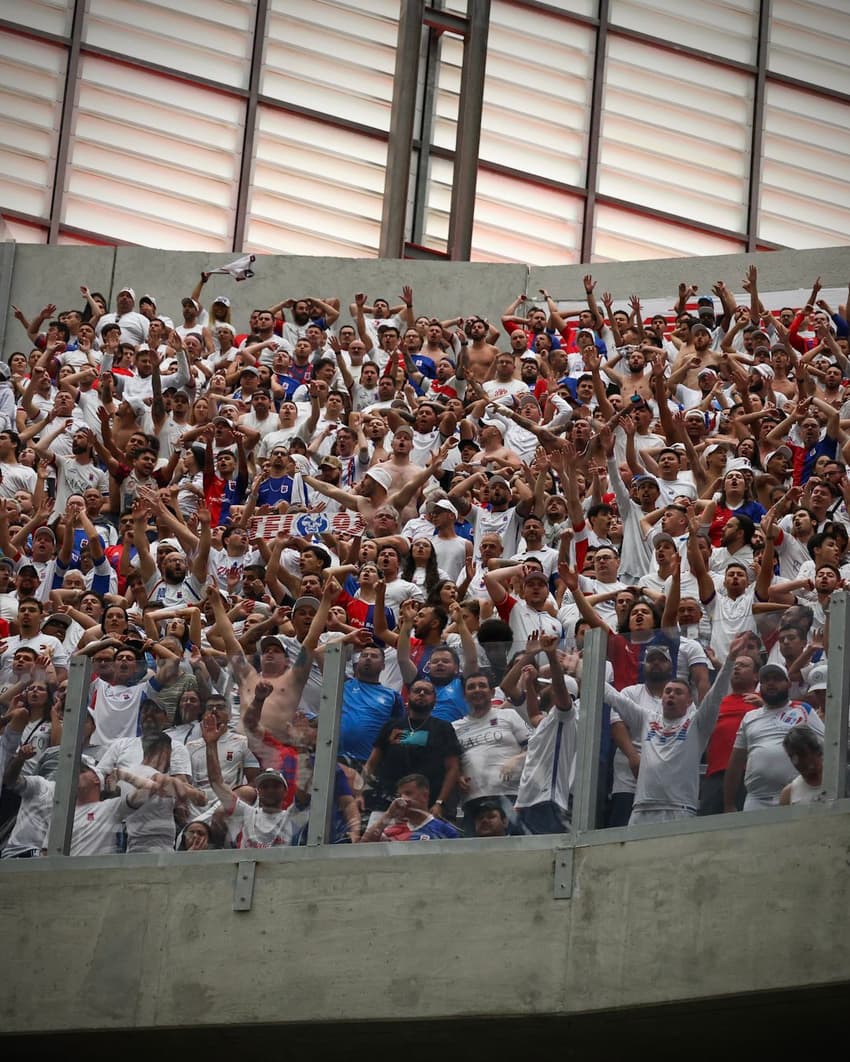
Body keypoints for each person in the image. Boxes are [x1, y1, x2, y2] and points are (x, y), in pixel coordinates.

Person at [601, 636, 749, 825]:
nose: (671, 695)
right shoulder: (646, 718)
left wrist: (730, 661)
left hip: (680, 809)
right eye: (668, 691)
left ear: (689, 701)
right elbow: (613, 697)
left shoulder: (697, 724)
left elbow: (716, 695)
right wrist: (585, 665)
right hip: (641, 809)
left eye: (678, 692)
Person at [723, 663, 825, 812]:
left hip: (795, 794)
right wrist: (729, 803)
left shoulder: (803, 709)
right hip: (756, 800)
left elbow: (827, 745)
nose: (771, 683)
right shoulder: (749, 717)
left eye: (777, 679)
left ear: (788, 684)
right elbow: (736, 762)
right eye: (766, 680)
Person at [362, 677, 461, 818]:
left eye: (427, 692)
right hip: (386, 805)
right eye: (417, 690)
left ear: (434, 700)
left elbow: (453, 768)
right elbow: (371, 764)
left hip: (426, 807)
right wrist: (361, 792)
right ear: (408, 697)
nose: (421, 693)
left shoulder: (444, 728)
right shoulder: (391, 726)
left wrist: (440, 803)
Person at [360, 773, 462, 842]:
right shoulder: (393, 829)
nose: (403, 798)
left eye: (408, 793)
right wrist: (389, 814)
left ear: (425, 795)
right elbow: (364, 845)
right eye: (400, 795)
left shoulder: (444, 830)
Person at [778, 726, 827, 806]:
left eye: (805, 755)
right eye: (794, 758)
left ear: (817, 752)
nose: (802, 763)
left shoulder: (840, 780)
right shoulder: (788, 794)